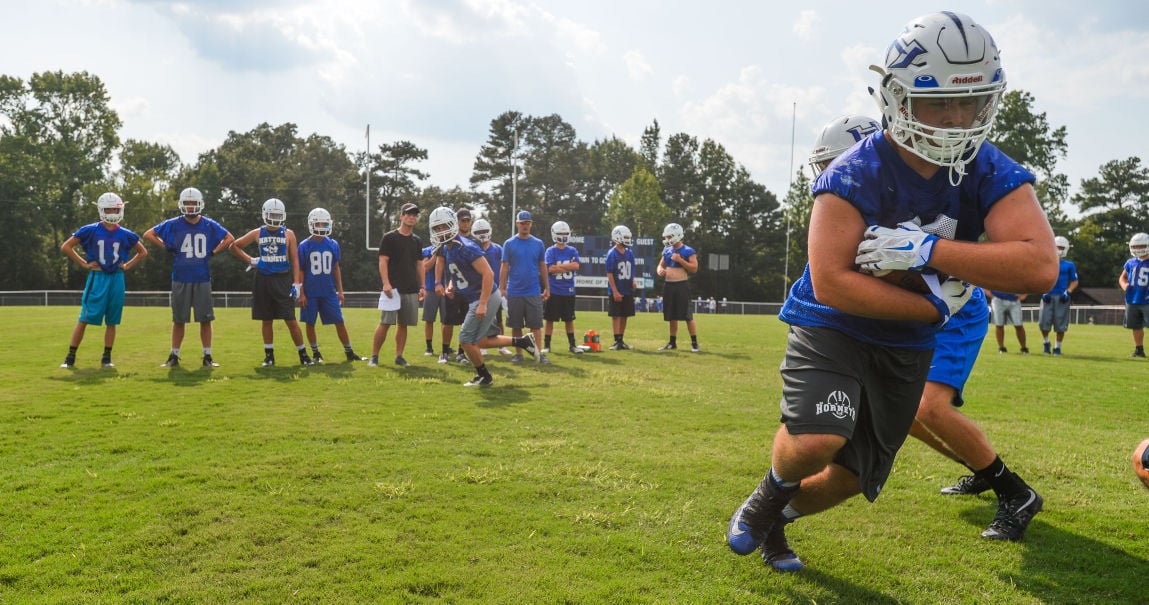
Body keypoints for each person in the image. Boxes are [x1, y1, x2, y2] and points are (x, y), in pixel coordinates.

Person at [726, 12, 1058, 573]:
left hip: (906, 341)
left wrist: (929, 251)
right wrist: (931, 304)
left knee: (854, 476)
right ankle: (768, 492)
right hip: (835, 325)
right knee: (817, 438)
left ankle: (777, 521)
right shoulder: (853, 173)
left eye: (969, 102)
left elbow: (1038, 265)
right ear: (898, 100)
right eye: (937, 103)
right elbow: (833, 283)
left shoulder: (986, 167)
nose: (955, 119)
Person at [429, 207, 539, 386]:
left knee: (465, 340)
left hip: (483, 296)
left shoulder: (466, 247)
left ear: (452, 225)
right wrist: (450, 286)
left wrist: (482, 304)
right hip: (477, 296)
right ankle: (522, 341)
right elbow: (459, 273)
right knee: (479, 341)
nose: (441, 231)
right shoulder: (448, 247)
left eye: (443, 226)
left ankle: (484, 377)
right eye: (437, 228)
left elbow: (488, 274)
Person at [143, 187, 235, 368]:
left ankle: (207, 356)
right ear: (181, 204)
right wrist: (165, 246)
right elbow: (148, 234)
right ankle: (174, 356)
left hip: (202, 277)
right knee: (179, 320)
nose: (191, 207)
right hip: (180, 276)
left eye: (193, 203)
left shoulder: (208, 224)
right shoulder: (174, 223)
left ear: (199, 204)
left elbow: (229, 238)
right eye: (187, 203)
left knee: (205, 319)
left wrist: (214, 252)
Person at [59, 193, 148, 369]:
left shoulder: (126, 234)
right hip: (98, 277)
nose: (112, 212)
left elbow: (143, 252)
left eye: (115, 208)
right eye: (108, 209)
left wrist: (127, 266)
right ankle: (70, 356)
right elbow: (66, 246)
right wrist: (84, 264)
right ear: (101, 209)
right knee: (84, 318)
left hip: (116, 278)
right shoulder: (90, 230)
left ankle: (106, 357)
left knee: (112, 320)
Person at [230, 198, 313, 367]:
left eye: (277, 214)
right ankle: (269, 356)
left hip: (282, 279)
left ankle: (303, 354)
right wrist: (251, 260)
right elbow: (234, 246)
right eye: (271, 214)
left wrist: (297, 283)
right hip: (263, 279)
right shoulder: (258, 233)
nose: (274, 217)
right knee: (266, 319)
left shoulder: (289, 234)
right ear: (265, 214)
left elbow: (295, 260)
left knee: (290, 319)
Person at [296, 208, 367, 363]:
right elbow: (300, 271)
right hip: (310, 292)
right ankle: (316, 353)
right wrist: (301, 293)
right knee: (310, 323)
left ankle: (349, 352)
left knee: (339, 321)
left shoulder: (333, 244)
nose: (321, 227)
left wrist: (340, 290)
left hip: (328, 291)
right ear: (311, 224)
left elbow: (336, 268)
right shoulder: (304, 245)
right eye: (318, 223)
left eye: (324, 224)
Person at [370, 202, 426, 367]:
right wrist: (386, 283)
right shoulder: (389, 237)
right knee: (385, 323)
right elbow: (383, 261)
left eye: (414, 215)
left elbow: (419, 264)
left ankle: (399, 356)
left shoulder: (417, 241)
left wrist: (422, 286)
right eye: (408, 214)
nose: (411, 217)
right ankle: (374, 356)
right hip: (392, 289)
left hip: (411, 289)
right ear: (401, 216)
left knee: (404, 324)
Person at [500, 210, 550, 364]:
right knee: (516, 326)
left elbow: (543, 266)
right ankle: (519, 354)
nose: (525, 226)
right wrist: (502, 288)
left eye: (527, 223)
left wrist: (547, 287)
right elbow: (504, 266)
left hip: (533, 291)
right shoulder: (509, 244)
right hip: (514, 291)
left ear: (531, 224)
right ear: (517, 224)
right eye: (522, 223)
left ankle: (538, 354)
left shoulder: (538, 243)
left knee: (535, 326)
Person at [471, 218, 513, 357]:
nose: (482, 234)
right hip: (478, 290)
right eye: (479, 232)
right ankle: (481, 345)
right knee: (481, 320)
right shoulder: (472, 248)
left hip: (495, 290)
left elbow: (504, 268)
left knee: (499, 319)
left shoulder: (497, 249)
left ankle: (501, 346)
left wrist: (502, 287)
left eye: (484, 231)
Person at [656, 223, 700, 352]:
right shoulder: (667, 250)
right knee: (671, 315)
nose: (667, 239)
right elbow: (660, 265)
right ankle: (672, 342)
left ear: (676, 235)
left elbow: (694, 268)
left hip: (681, 285)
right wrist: (659, 270)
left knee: (687, 315)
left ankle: (694, 342)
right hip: (669, 285)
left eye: (669, 236)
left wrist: (680, 260)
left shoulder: (688, 250)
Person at [544, 221, 584, 355]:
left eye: (565, 233)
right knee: (550, 320)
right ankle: (547, 345)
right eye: (560, 233)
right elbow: (550, 268)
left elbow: (576, 266)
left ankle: (572, 345)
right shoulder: (550, 251)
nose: (562, 236)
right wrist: (568, 266)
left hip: (568, 291)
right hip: (554, 290)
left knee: (569, 320)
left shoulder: (572, 250)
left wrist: (558, 268)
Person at [1038, 236, 1078, 356]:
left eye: (1061, 247)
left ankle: (1057, 347)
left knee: (1060, 325)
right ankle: (1046, 342)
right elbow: (1040, 278)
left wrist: (1068, 291)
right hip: (1048, 296)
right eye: (1056, 247)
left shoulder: (1069, 265)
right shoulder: (1045, 262)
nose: (1058, 249)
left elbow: (1075, 281)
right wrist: (1043, 291)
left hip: (1062, 297)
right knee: (1043, 323)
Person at [604, 225, 637, 350]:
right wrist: (615, 291)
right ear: (617, 237)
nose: (628, 239)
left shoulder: (629, 253)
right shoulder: (612, 253)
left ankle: (621, 340)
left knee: (625, 315)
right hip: (617, 289)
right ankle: (616, 340)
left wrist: (633, 281)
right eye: (626, 237)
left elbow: (632, 269)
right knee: (616, 315)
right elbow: (610, 273)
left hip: (627, 289)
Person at [1119, 233, 1149, 358]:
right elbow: (1122, 277)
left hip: (1147, 299)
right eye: (1135, 246)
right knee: (1136, 326)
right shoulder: (1130, 262)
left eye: (1141, 246)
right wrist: (1124, 285)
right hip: (1132, 298)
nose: (1138, 249)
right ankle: (1139, 350)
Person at [985, 289, 1029, 354]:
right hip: (998, 299)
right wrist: (991, 295)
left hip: (1014, 299)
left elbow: (1024, 281)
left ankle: (1024, 348)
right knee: (999, 325)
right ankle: (1001, 348)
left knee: (1019, 325)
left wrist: (1024, 294)